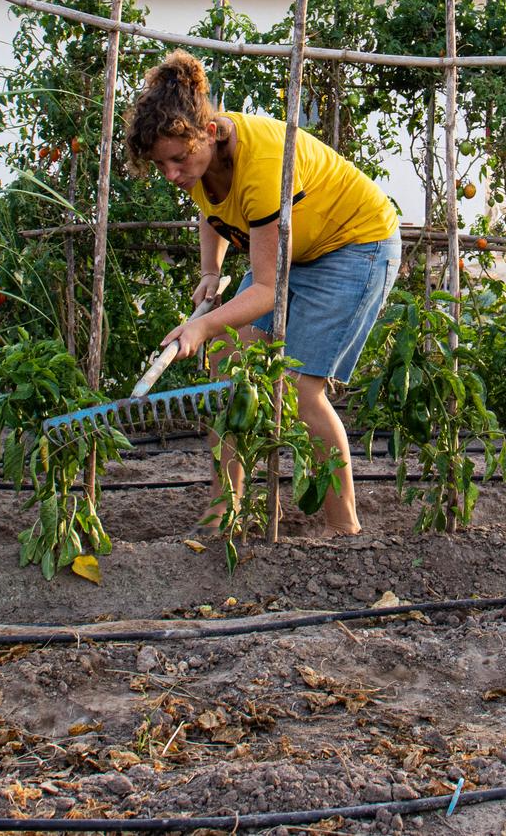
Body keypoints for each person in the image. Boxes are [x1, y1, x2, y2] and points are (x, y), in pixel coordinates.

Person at [126, 49, 401, 536]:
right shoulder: (196, 159)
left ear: (208, 131)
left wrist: (202, 325)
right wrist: (211, 270)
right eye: (161, 164)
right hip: (293, 247)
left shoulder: (264, 163)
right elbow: (211, 205)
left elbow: (269, 291)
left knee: (298, 390)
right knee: (226, 364)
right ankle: (224, 510)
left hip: (353, 244)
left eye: (177, 159)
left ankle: (345, 530)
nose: (171, 174)